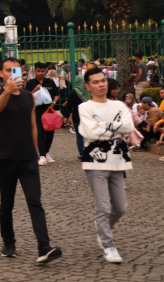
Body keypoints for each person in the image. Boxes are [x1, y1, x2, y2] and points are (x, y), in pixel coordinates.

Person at [0, 58, 62, 263]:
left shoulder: (29, 97)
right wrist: (8, 91)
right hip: (6, 157)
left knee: (35, 202)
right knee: (7, 204)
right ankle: (9, 242)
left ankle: (44, 247)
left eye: (17, 70)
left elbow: (32, 126)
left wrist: (37, 153)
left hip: (28, 158)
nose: (13, 74)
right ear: (1, 74)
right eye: (9, 70)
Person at [78, 67, 134, 263]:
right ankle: (108, 245)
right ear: (88, 86)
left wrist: (102, 126)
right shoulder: (85, 107)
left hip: (118, 161)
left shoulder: (119, 105)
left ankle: (102, 227)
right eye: (96, 82)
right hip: (95, 163)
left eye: (103, 80)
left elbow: (129, 127)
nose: (101, 84)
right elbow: (90, 133)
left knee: (120, 208)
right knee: (103, 206)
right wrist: (115, 128)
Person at [25, 62, 60, 166]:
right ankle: (42, 156)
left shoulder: (50, 82)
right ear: (34, 71)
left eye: (42, 71)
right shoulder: (31, 83)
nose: (40, 73)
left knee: (50, 132)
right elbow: (27, 97)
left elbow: (56, 94)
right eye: (38, 71)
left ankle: (47, 152)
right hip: (36, 110)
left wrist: (53, 103)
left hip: (49, 110)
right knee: (39, 132)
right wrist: (35, 90)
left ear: (45, 71)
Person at [62, 76, 90, 158]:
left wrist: (66, 117)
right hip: (88, 115)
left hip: (77, 115)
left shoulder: (73, 92)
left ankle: (81, 153)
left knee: (79, 135)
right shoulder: (89, 91)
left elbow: (69, 105)